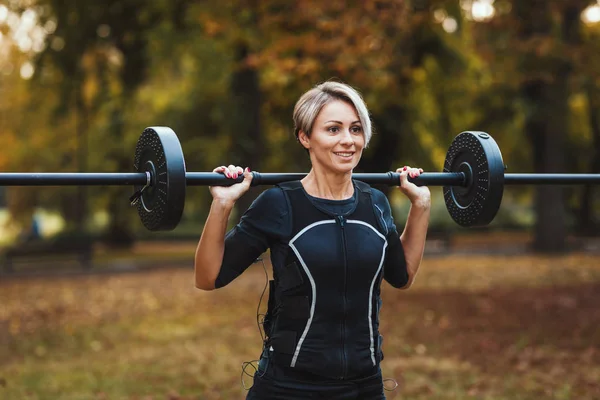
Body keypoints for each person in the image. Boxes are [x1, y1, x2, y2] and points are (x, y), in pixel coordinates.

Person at [194, 81, 431, 399]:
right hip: (289, 387)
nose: (348, 140)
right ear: (305, 137)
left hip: (364, 386)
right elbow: (208, 277)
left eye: (356, 129)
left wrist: (421, 206)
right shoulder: (279, 204)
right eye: (333, 129)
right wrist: (222, 204)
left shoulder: (375, 203)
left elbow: (401, 276)